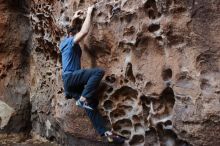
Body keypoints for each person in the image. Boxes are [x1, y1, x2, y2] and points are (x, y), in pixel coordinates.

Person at [59, 5, 125, 144]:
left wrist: (73, 19)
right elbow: (83, 32)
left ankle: (104, 132)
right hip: (71, 77)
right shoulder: (70, 42)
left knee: (91, 106)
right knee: (98, 72)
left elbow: (71, 32)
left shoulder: (64, 43)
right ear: (73, 36)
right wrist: (89, 13)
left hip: (70, 85)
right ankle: (83, 99)